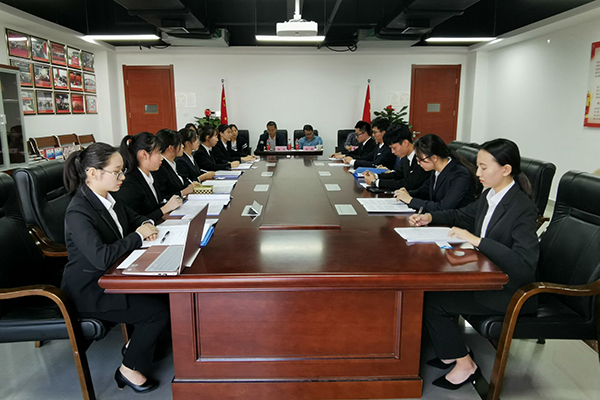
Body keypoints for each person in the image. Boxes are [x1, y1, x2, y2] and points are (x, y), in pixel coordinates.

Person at [409, 138, 539, 390]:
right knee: (431, 293)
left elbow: (524, 265)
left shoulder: (521, 207)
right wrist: (430, 217)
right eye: (478, 166)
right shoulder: (491, 194)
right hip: (488, 274)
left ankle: (465, 364)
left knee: (434, 302)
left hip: (511, 290)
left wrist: (477, 240)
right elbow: (462, 214)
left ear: (506, 169)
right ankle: (452, 352)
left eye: (483, 167)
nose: (477, 173)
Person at [61, 143, 169, 393]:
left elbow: (135, 218)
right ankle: (128, 369)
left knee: (165, 296)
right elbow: (101, 258)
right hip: (91, 289)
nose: (122, 177)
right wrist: (139, 236)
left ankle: (136, 346)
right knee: (157, 313)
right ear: (93, 173)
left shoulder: (109, 198)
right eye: (117, 172)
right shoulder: (78, 211)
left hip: (115, 276)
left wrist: (147, 224)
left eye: (122, 171)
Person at [394, 134, 479, 212]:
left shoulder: (460, 175)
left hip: (454, 221)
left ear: (434, 157)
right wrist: (406, 193)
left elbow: (443, 207)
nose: (418, 164)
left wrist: (410, 200)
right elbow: (424, 192)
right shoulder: (436, 170)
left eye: (420, 160)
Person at [112, 132, 183, 221]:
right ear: (144, 154)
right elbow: (134, 222)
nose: (161, 158)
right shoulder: (130, 184)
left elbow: (154, 208)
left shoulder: (150, 175)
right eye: (158, 153)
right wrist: (164, 210)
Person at [364, 124, 431, 191]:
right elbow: (397, 174)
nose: (392, 152)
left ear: (405, 143)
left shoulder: (422, 159)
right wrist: (376, 176)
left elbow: (409, 184)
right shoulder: (408, 157)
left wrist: (376, 182)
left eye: (394, 148)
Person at [153, 129, 209, 200]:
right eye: (180, 144)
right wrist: (183, 192)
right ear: (171, 148)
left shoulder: (173, 163)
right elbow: (162, 198)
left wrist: (191, 185)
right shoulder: (160, 168)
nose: (182, 146)